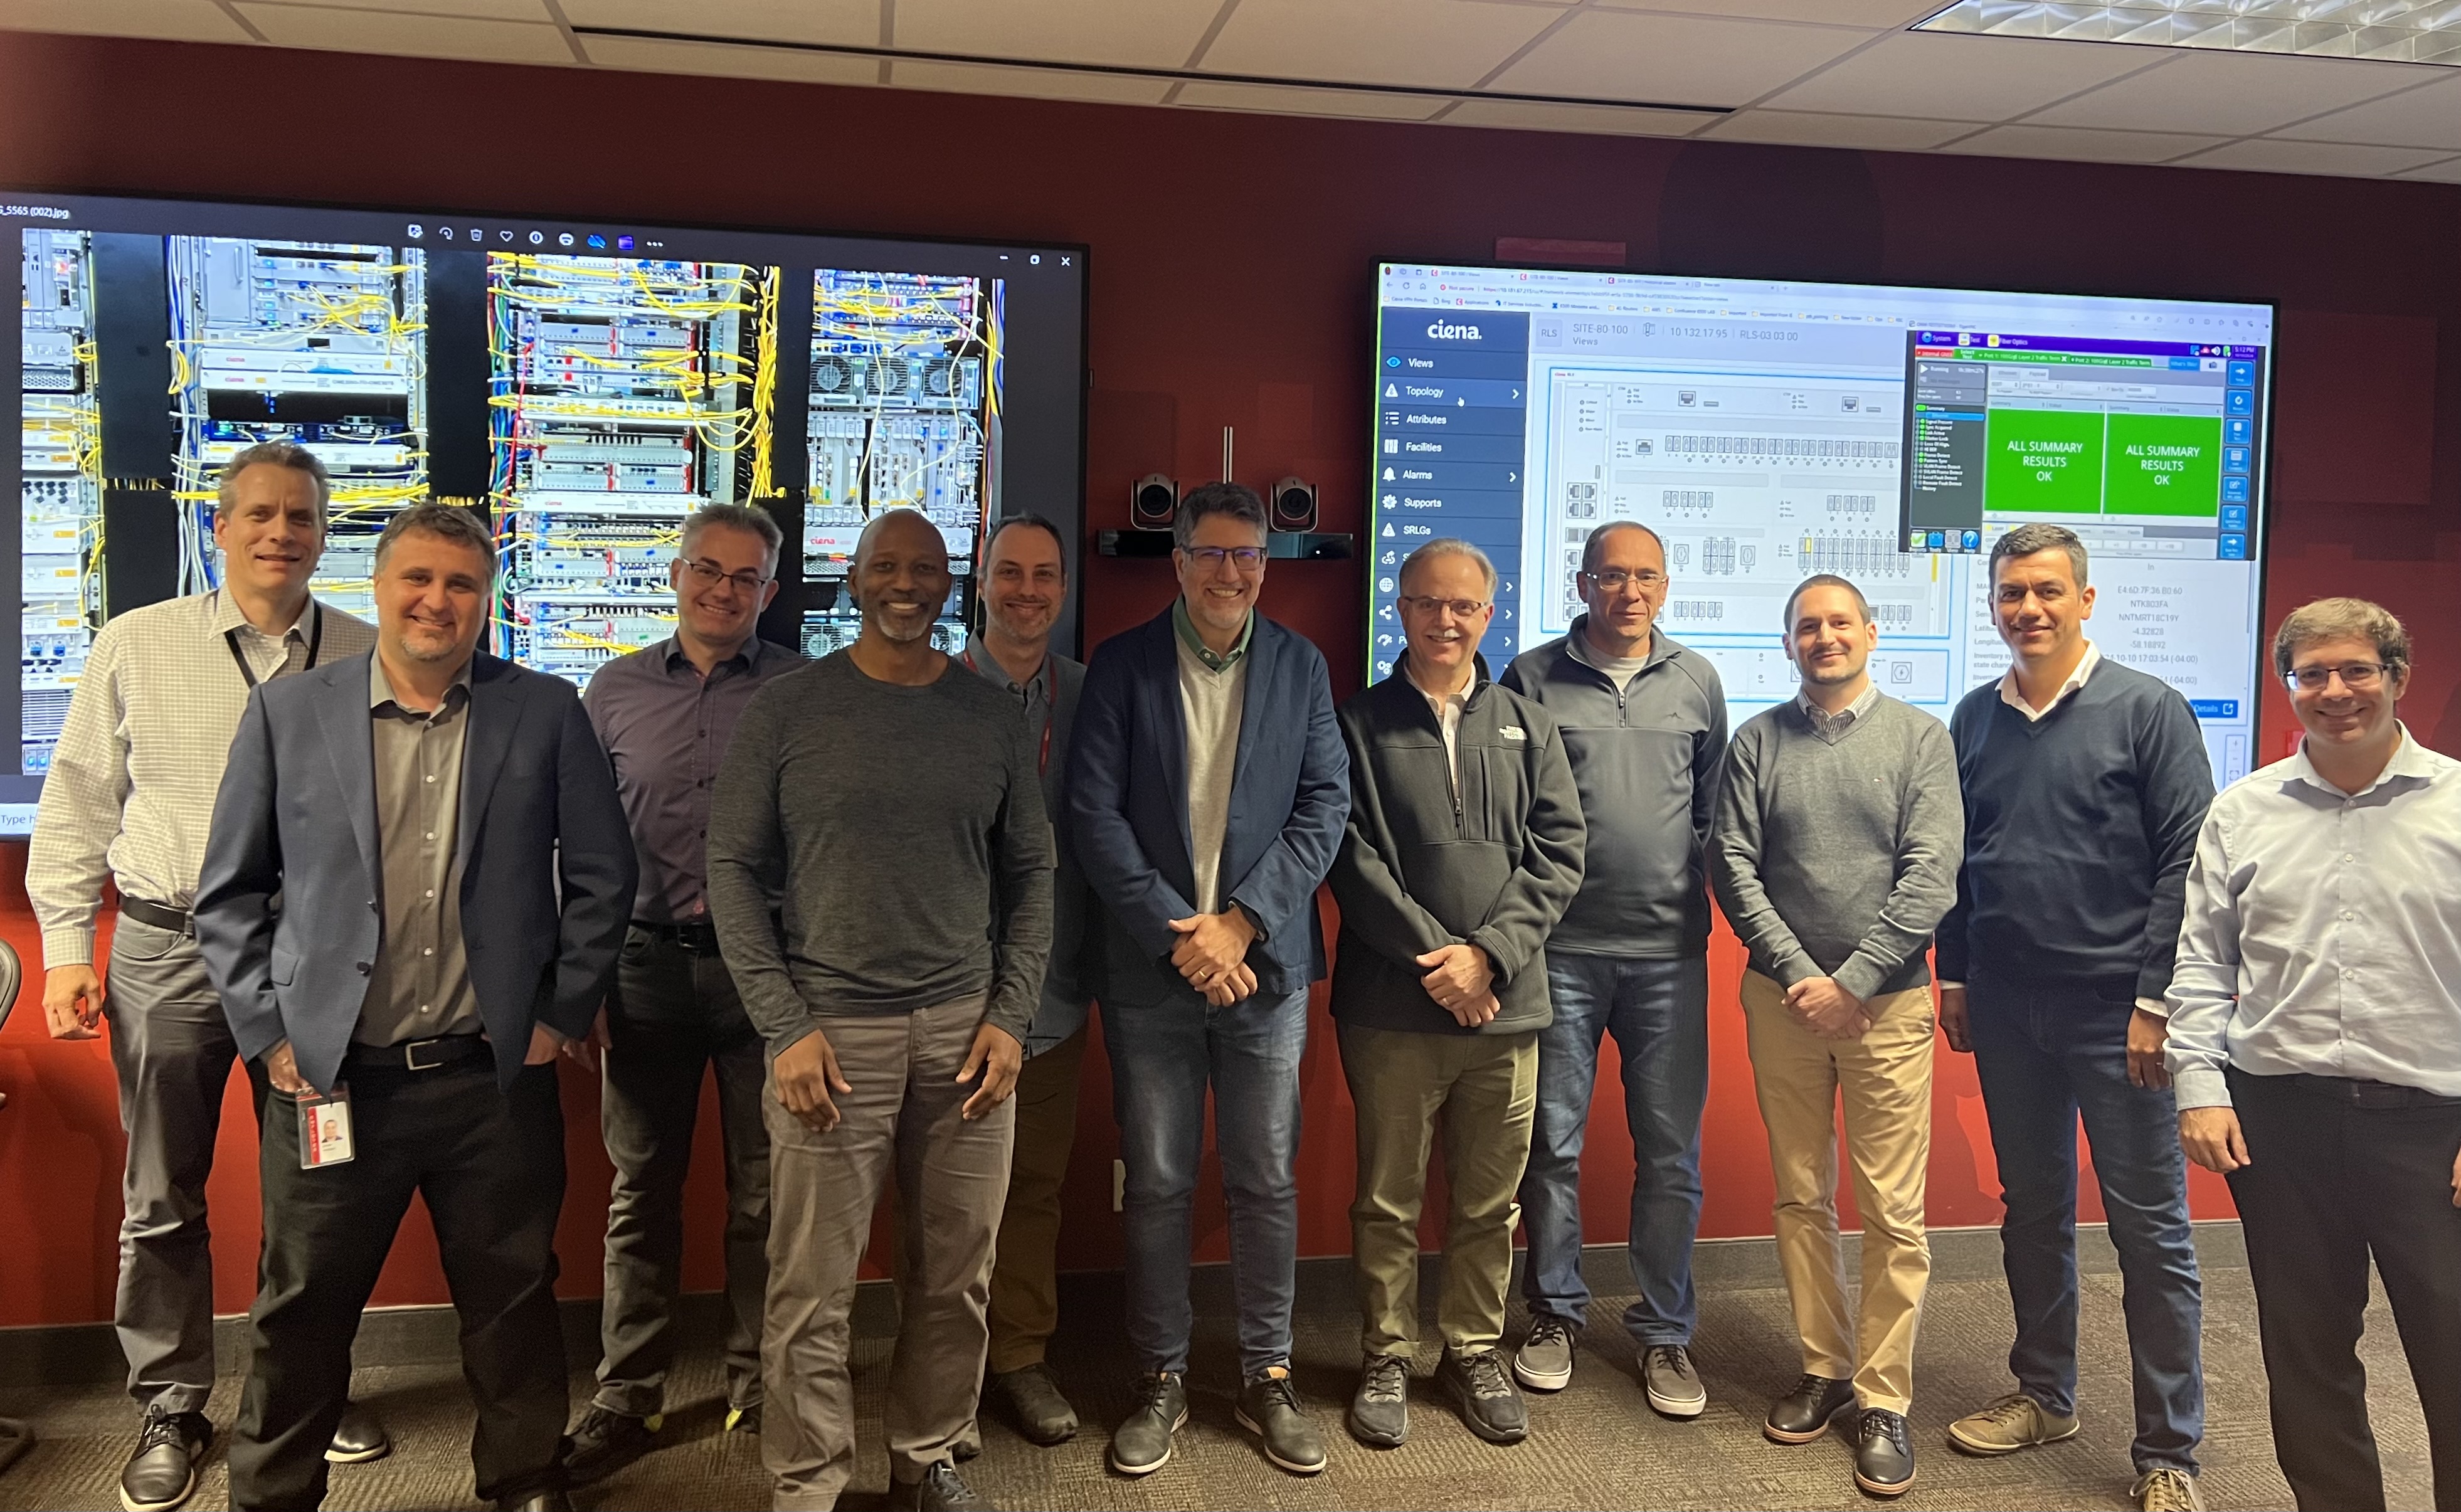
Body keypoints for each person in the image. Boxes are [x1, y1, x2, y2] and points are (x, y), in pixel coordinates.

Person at [193, 501, 637, 1512]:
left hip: (492, 1079)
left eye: (462, 584)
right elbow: (228, 895)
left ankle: (526, 1477)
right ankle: (272, 1494)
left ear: (487, 600)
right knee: (301, 1308)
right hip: (332, 1080)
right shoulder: (290, 713)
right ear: (379, 586)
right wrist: (269, 1036)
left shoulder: (545, 711)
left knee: (514, 1297)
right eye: (419, 579)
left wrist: (561, 1015)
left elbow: (605, 877)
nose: (439, 600)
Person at [25, 443, 388, 1512]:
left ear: (324, 535)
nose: (282, 533)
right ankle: (171, 1405)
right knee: (162, 1194)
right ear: (218, 528)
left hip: (312, 959)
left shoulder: (367, 650)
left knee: (317, 1192)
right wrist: (67, 950)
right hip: (166, 949)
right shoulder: (138, 642)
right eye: (260, 514)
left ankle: (297, 1393)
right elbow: (78, 798)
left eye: (302, 516)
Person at [706, 506, 1051, 1512]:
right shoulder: (789, 709)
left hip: (967, 1036)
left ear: (951, 585)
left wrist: (1012, 1016)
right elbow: (731, 869)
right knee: (811, 1288)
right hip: (829, 1037)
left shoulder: (989, 715)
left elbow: (1033, 875)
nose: (907, 584)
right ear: (851, 581)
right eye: (885, 567)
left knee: (956, 1275)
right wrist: (784, 1026)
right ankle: (808, 1483)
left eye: (926, 568)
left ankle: (927, 1453)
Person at [1070, 482, 1349, 1478]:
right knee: (1157, 1182)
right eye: (1213, 554)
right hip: (1153, 972)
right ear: (1180, 562)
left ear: (1265, 566)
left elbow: (1324, 806)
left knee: (1265, 1178)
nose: (1232, 573)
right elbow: (1094, 815)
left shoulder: (1301, 666)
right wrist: (1179, 935)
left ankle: (1268, 1373)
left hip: (1263, 970)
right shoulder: (1122, 664)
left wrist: (1240, 925)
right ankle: (1161, 1374)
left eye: (1248, 555)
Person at [1935, 522, 2213, 1512]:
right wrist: (1956, 977)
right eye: (2012, 593)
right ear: (1995, 606)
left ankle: (2169, 1450)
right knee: (2034, 1210)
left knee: (2152, 1232)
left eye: (2048, 591)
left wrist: (2155, 1001)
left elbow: (2187, 862)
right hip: (2009, 1008)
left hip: (2118, 1017)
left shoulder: (2149, 709)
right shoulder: (1974, 717)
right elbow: (1958, 859)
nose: (2029, 609)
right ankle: (2045, 1396)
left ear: (2085, 601)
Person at [2169, 598, 2461, 1512]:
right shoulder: (2242, 812)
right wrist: (2199, 1086)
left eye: (2357, 670)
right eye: (2312, 675)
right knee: (2306, 1355)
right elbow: (2202, 962)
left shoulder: (2457, 805)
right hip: (2282, 1120)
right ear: (2287, 686)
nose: (2336, 691)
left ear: (2397, 677)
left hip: (2432, 1128)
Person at [563, 504, 804, 1483]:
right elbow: (577, 844)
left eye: (745, 578)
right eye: (707, 570)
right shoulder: (612, 692)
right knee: (642, 1193)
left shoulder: (802, 691)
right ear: (675, 575)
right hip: (642, 971)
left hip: (766, 977)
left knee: (767, 1193)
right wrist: (577, 979)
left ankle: (761, 1383)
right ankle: (629, 1394)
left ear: (770, 592)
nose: (723, 591)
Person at [1708, 574, 1961, 1498]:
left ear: (1872, 633)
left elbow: (1933, 875)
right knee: (1801, 1194)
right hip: (1784, 1003)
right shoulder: (1756, 742)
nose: (1825, 637)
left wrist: (1852, 982)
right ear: (1788, 643)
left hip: (1887, 1008)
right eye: (1807, 626)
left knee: (1893, 1211)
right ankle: (1825, 1367)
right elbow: (1732, 863)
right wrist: (1801, 977)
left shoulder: (1921, 740)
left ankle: (1884, 1398)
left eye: (1840, 623)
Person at [1327, 539, 1584, 1451]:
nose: (1446, 620)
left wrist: (1490, 959)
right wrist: (1442, 962)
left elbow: (1560, 854)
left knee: (1489, 1201)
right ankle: (1387, 1354)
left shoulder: (1529, 724)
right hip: (1392, 1008)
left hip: (1506, 1009)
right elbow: (1348, 856)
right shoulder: (1355, 723)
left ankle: (1472, 1349)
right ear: (1400, 609)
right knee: (1387, 1198)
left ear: (1489, 613)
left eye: (1463, 606)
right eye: (1428, 603)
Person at [1499, 519, 1727, 1419]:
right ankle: (1554, 1314)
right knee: (1550, 1144)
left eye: (1646, 577)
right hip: (1558, 953)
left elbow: (1711, 812)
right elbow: (1513, 812)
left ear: (1665, 586)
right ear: (1583, 582)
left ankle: (1665, 1332)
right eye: (1611, 576)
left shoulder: (1698, 681)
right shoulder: (1530, 678)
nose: (1629, 592)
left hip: (1669, 956)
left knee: (1670, 1153)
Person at [962, 514, 1101, 1447]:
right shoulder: (932, 692)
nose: (1026, 591)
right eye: (1009, 573)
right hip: (947, 995)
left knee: (1033, 1188)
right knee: (943, 1198)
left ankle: (1018, 1358)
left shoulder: (1091, 698)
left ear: (1062, 588)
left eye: (1044, 575)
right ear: (981, 582)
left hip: (1053, 994)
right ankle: (945, 1371)